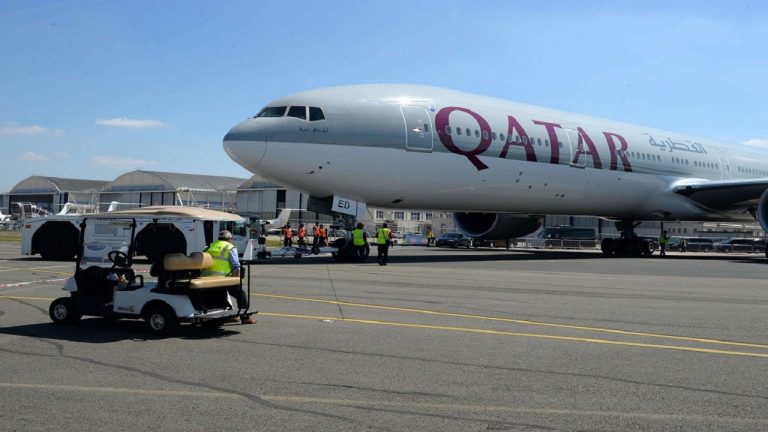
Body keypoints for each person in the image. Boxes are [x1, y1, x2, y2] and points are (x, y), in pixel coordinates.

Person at [202, 230, 256, 324]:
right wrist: (236, 280)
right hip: (222, 278)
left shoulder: (209, 246)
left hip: (206, 278)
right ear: (230, 239)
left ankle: (229, 315)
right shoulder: (230, 247)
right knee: (240, 294)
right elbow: (236, 266)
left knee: (223, 293)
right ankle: (245, 317)